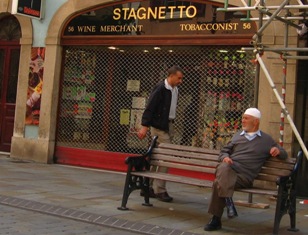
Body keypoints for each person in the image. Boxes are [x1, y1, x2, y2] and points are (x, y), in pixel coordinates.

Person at [204, 107, 288, 231]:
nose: (242, 120)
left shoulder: (266, 140)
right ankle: (227, 204)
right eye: (243, 118)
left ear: (256, 122)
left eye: (246, 118)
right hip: (228, 170)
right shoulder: (237, 136)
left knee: (218, 182)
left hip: (244, 177)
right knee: (223, 166)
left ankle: (217, 218)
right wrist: (225, 157)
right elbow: (223, 152)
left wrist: (277, 151)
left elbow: (284, 154)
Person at [137, 65, 184, 202]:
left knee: (157, 157)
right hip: (159, 126)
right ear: (171, 76)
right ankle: (160, 190)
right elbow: (150, 107)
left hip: (168, 124)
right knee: (166, 156)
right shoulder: (160, 89)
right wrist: (144, 126)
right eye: (179, 78)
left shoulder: (174, 89)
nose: (181, 81)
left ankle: (148, 186)